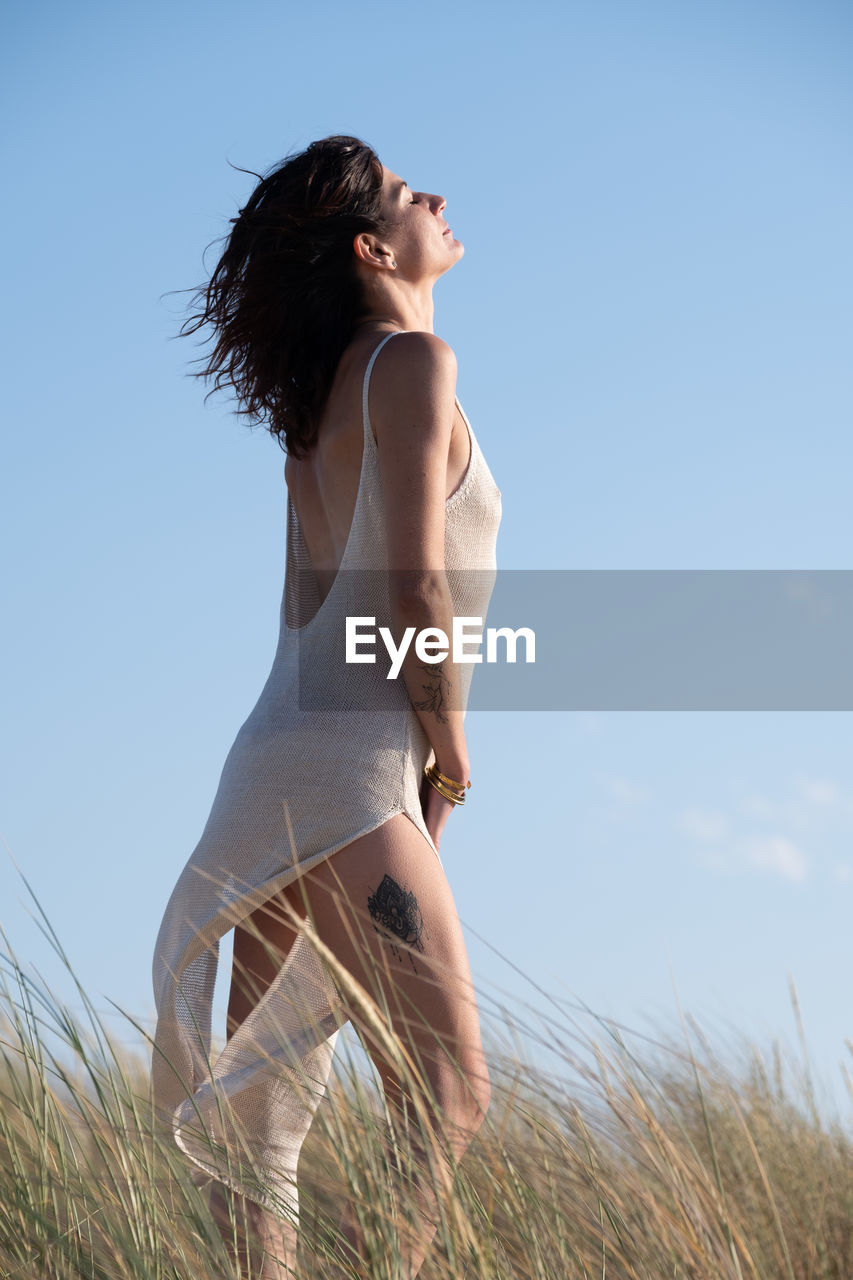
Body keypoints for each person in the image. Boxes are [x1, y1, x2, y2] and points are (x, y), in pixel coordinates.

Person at [150, 134, 502, 1279]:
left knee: (264, 1120)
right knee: (447, 1087)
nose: (435, 200)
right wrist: (446, 749)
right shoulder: (413, 361)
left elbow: (312, 617)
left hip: (281, 757)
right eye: (409, 195)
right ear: (372, 245)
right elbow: (413, 587)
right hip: (348, 767)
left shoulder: (319, 402)